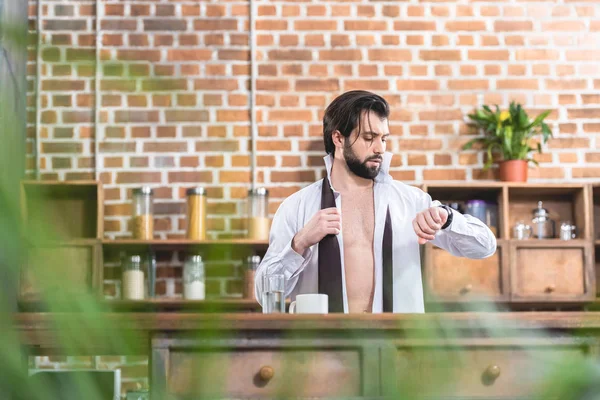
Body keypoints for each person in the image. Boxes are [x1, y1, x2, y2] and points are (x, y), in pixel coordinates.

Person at [254, 90, 496, 313]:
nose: (380, 148)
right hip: (322, 350)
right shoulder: (298, 208)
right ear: (338, 138)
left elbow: (485, 247)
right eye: (369, 138)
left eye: (384, 138)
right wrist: (299, 243)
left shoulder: (410, 203)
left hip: (399, 348)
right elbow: (263, 293)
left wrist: (448, 219)